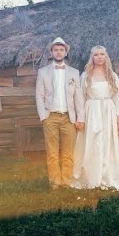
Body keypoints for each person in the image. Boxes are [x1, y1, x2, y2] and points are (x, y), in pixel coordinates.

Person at [71, 46, 119, 190]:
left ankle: (107, 175)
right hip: (92, 111)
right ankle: (92, 176)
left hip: (108, 112)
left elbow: (118, 101)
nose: (99, 57)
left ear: (106, 57)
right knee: (92, 142)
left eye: (102, 54)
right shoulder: (85, 76)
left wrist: (118, 124)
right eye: (96, 55)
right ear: (92, 57)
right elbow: (80, 99)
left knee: (107, 142)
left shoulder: (112, 76)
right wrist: (80, 119)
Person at [35, 37, 85, 189]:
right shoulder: (43, 72)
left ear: (65, 52)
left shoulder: (74, 72)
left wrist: (80, 118)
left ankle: (67, 181)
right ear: (51, 52)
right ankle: (55, 182)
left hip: (69, 118)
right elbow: (39, 95)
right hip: (50, 116)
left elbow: (78, 97)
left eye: (61, 50)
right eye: (55, 50)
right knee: (52, 152)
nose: (58, 52)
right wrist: (43, 117)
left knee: (68, 152)